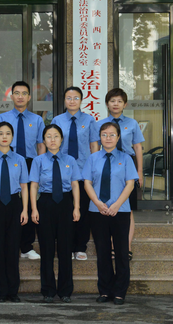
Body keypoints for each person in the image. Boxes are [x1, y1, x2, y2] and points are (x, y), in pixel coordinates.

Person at [83, 122, 138, 306]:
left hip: (120, 211)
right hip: (97, 211)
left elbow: (130, 184)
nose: (108, 138)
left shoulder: (126, 158)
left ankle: (120, 291)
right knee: (103, 251)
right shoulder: (93, 158)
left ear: (118, 137)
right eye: (104, 134)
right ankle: (105, 291)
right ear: (100, 137)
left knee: (121, 252)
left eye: (112, 134)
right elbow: (87, 183)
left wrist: (116, 205)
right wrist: (98, 203)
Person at [0, 81, 45, 260]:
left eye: (24, 93)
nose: (20, 96)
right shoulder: (2, 118)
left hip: (30, 163)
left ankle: (26, 247)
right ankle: (9, 244)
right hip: (8, 162)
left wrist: (41, 167)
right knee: (10, 202)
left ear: (29, 97)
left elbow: (41, 146)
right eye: (17, 93)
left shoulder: (37, 120)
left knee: (29, 204)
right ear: (12, 96)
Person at [29, 124, 81, 303]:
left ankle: (65, 291)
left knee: (66, 249)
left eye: (56, 136)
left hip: (65, 204)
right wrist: (34, 209)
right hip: (45, 203)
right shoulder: (38, 161)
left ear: (61, 139)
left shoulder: (70, 160)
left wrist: (76, 207)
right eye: (49, 136)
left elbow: (75, 185)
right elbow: (33, 186)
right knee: (47, 249)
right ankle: (48, 290)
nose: (52, 140)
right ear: (44, 140)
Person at [0, 121, 29, 303]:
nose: (4, 136)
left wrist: (25, 209)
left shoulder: (20, 160)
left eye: (8, 133)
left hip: (15, 204)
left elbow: (24, 186)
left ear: (12, 137)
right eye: (1, 133)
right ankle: (0, 291)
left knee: (13, 248)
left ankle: (12, 290)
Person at [96, 88, 144, 261]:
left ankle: (126, 246)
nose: (115, 104)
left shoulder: (132, 123)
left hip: (127, 165)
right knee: (108, 205)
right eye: (112, 101)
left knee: (127, 210)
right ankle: (111, 245)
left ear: (125, 104)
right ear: (107, 104)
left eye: (119, 101)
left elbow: (137, 147)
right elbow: (96, 148)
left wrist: (139, 171)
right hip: (107, 166)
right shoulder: (100, 124)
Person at [51, 87, 99, 261]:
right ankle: (66, 246)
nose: (72, 101)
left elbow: (94, 145)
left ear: (81, 100)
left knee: (83, 210)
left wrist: (95, 168)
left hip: (83, 170)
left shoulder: (89, 120)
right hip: (63, 171)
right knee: (65, 210)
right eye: (69, 98)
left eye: (76, 98)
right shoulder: (57, 120)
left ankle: (80, 247)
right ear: (64, 100)